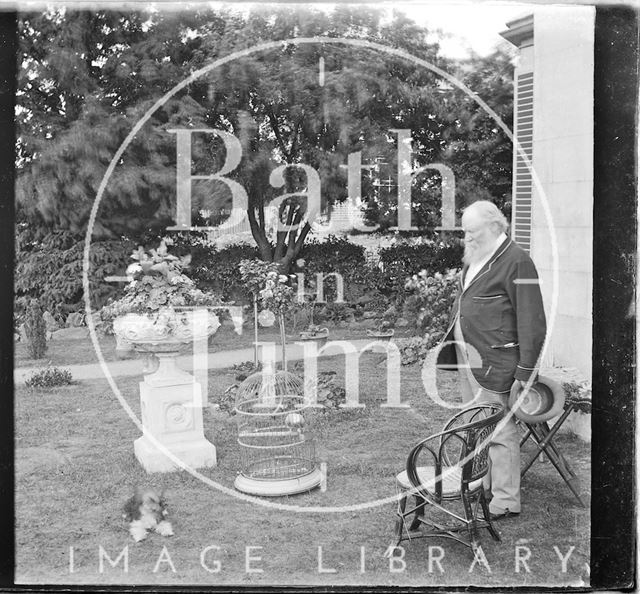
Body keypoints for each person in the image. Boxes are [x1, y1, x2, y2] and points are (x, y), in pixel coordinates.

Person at [437, 200, 547, 519]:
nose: (467, 238)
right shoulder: (476, 256)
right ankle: (482, 484)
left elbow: (533, 321)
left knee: (499, 430)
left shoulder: (517, 261)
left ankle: (506, 500)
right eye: (464, 231)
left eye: (472, 231)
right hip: (468, 357)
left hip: (496, 362)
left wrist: (525, 372)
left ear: (496, 227)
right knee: (476, 425)